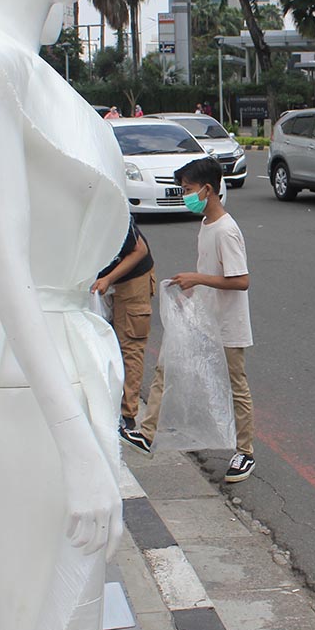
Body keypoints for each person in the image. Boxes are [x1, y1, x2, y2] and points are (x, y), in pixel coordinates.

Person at [125, 157, 256, 483]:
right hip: (205, 317)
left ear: (208, 190)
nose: (185, 195)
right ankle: (148, 432)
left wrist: (197, 279)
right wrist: (191, 294)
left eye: (188, 189)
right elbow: (211, 272)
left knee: (235, 386)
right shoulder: (207, 225)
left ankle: (246, 451)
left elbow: (241, 280)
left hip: (228, 323)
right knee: (166, 367)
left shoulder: (226, 230)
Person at [92, 218, 155, 435]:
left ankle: (127, 416)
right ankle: (105, 405)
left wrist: (108, 279)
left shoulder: (109, 209)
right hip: (101, 279)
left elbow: (139, 251)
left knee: (129, 344)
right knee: (101, 343)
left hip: (132, 275)